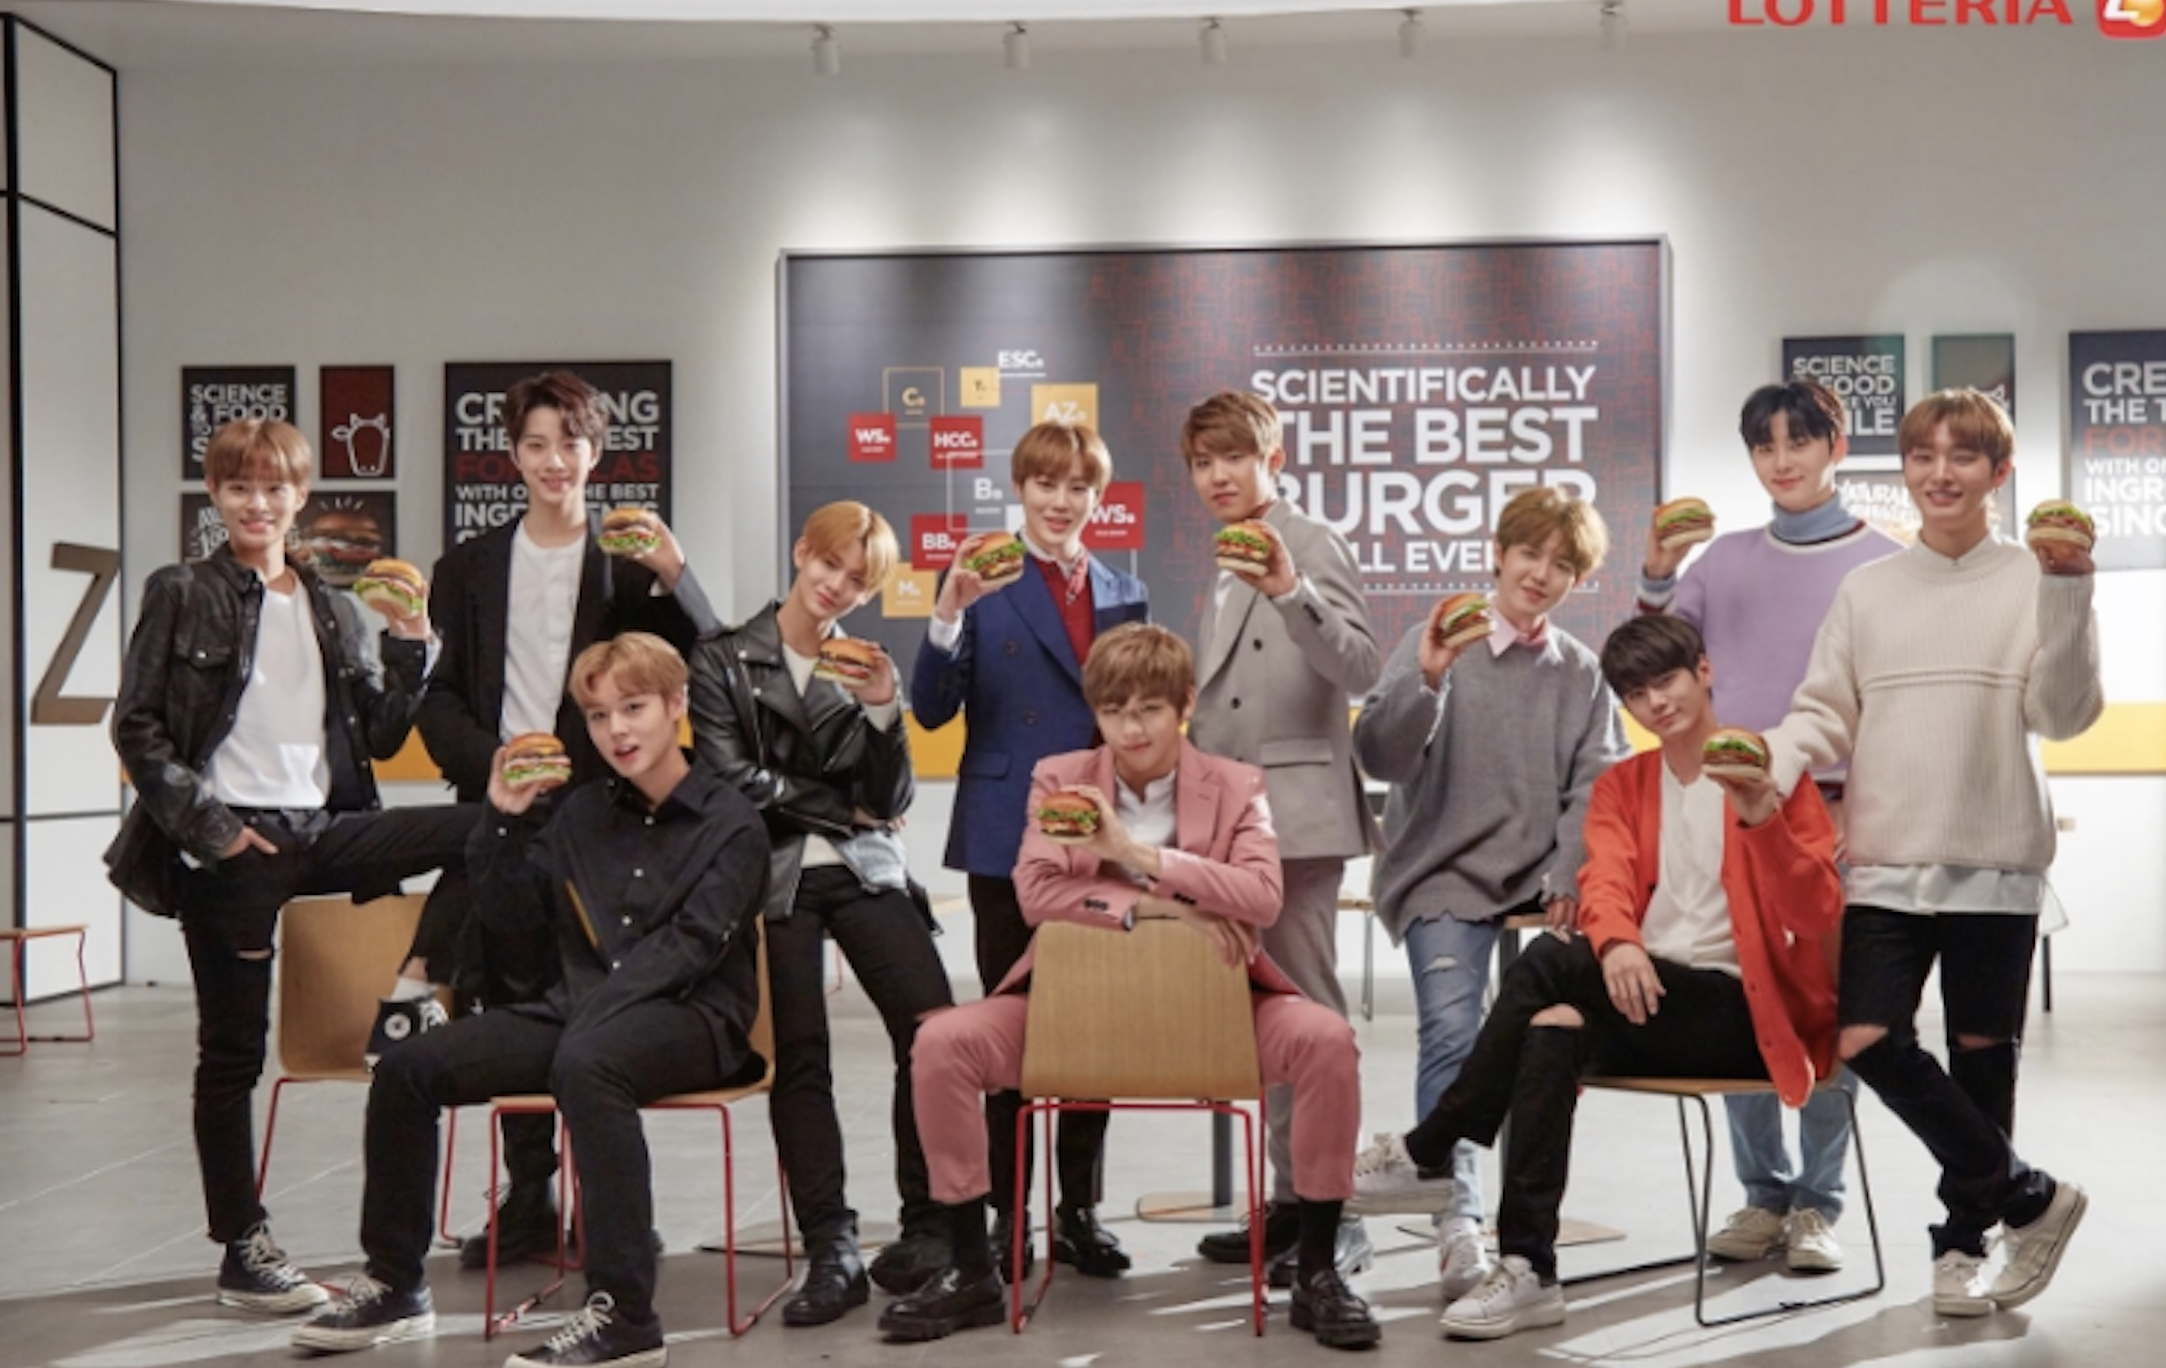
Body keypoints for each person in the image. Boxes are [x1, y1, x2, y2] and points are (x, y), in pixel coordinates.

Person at [881, 624, 1380, 1349]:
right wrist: (1163, 908)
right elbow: (1036, 894)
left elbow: (1263, 895)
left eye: (1149, 709)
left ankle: (1318, 1271)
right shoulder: (1060, 778)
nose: (1131, 729)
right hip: (1070, 1012)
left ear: (1184, 705)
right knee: (941, 1044)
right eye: (1113, 711)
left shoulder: (1236, 784)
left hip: (1214, 1013)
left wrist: (1134, 854)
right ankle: (971, 1269)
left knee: (1328, 1041)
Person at [1350, 613, 1843, 1340]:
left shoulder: (1767, 769)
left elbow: (1819, 909)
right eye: (1637, 694)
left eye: (1668, 681)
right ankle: (1529, 1269)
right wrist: (1616, 946)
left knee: (1552, 959)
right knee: (1550, 1030)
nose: (1657, 703)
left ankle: (1431, 1149)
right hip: (1646, 1000)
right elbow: (1603, 880)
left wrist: (1761, 818)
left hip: (1742, 1014)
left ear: (1704, 672)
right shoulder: (1624, 786)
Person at [105, 417, 474, 1313]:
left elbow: (379, 735)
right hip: (234, 849)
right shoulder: (182, 591)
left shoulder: (330, 607)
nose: (257, 504)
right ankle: (243, 1247)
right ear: (215, 495)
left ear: (300, 496)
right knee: (232, 1053)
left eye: (274, 488)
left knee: (485, 827)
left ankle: (412, 990)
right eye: (239, 487)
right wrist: (214, 829)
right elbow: (137, 726)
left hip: (324, 831)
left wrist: (412, 640)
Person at [1763, 389, 2100, 1316]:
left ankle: (1962, 1247)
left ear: (2000, 472)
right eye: (1922, 456)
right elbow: (1823, 711)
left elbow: (2063, 715)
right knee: (1867, 1040)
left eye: (1962, 457)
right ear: (1904, 468)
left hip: (1997, 863)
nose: (1939, 474)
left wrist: (2070, 592)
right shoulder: (1868, 589)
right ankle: (2031, 1199)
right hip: (1883, 861)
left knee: (1982, 1060)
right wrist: (1768, 764)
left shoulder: (2035, 578)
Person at [409, 369, 717, 1268]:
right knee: (511, 993)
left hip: (604, 815)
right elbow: (439, 699)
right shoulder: (467, 568)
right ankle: (530, 1195)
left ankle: (611, 1209)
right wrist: (494, 765)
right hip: (505, 812)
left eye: (570, 443)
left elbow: (702, 659)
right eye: (536, 444)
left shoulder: (627, 561)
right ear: (512, 455)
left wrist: (677, 574)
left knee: (602, 1001)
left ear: (596, 452)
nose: (554, 461)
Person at [1637, 378, 1901, 1273]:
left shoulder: (1884, 564)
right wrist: (1658, 575)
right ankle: (1762, 1193)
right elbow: (1653, 666)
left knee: (1832, 1006)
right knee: (1736, 987)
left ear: (1837, 446)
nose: (1781, 461)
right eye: (1764, 446)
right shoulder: (1721, 562)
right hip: (1734, 806)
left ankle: (1819, 1203)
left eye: (1799, 441)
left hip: (1840, 811)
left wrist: (1868, 804)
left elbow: (1892, 704)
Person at [1348, 484, 1626, 1300]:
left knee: (1546, 1042)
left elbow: (1596, 787)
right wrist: (1427, 679)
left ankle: (1523, 1235)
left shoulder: (1581, 672)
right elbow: (1380, 757)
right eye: (1529, 554)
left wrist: (1568, 873)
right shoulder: (1437, 639)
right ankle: (1458, 1222)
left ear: (1577, 581)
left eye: (1562, 565)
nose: (1540, 574)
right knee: (1452, 1031)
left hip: (1540, 880)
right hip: (1440, 869)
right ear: (1497, 555)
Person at [688, 502, 954, 1326]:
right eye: (829, 564)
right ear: (802, 551)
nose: (836, 586)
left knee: (933, 1033)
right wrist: (840, 810)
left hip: (865, 872)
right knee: (800, 1056)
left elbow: (891, 798)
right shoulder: (723, 658)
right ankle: (831, 1247)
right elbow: (731, 780)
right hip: (772, 878)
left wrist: (883, 708)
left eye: (856, 580)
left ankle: (930, 1228)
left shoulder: (865, 665)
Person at [909, 421, 1149, 1281]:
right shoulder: (983, 581)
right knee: (1012, 1025)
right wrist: (947, 609)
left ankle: (1078, 1211)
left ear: (1098, 498)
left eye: (1078, 486)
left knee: (1095, 1027)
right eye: (1046, 483)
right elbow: (931, 709)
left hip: (1100, 835)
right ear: (1020, 488)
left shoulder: (1125, 592)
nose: (1061, 501)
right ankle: (1009, 1217)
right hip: (1005, 828)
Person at [1179, 391, 1383, 1281]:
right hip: (1231, 823)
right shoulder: (1226, 555)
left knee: (1310, 1018)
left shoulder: (1309, 542)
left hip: (1295, 816)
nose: (1218, 476)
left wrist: (1291, 590)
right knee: (1265, 1020)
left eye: (1234, 457)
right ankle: (1294, 1204)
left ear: (1275, 458)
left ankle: (1335, 1215)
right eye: (1202, 463)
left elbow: (1361, 666)